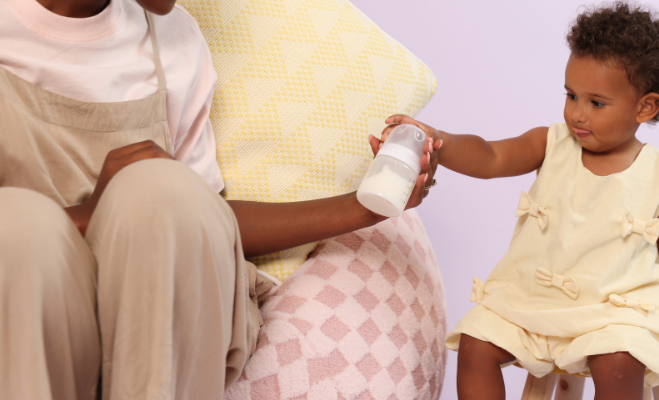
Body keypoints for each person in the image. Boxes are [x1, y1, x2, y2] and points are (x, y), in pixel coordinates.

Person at [0, 0, 441, 398]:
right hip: (30, 298)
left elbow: (202, 218)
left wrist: (362, 208)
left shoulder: (172, 41)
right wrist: (91, 216)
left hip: (156, 301)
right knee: (21, 226)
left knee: (159, 188)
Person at [376, 3, 659, 400]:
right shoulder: (550, 143)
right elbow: (491, 156)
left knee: (618, 362)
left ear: (645, 107)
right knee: (475, 344)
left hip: (614, 310)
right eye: (571, 94)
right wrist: (438, 140)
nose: (577, 113)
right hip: (533, 299)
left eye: (596, 103)